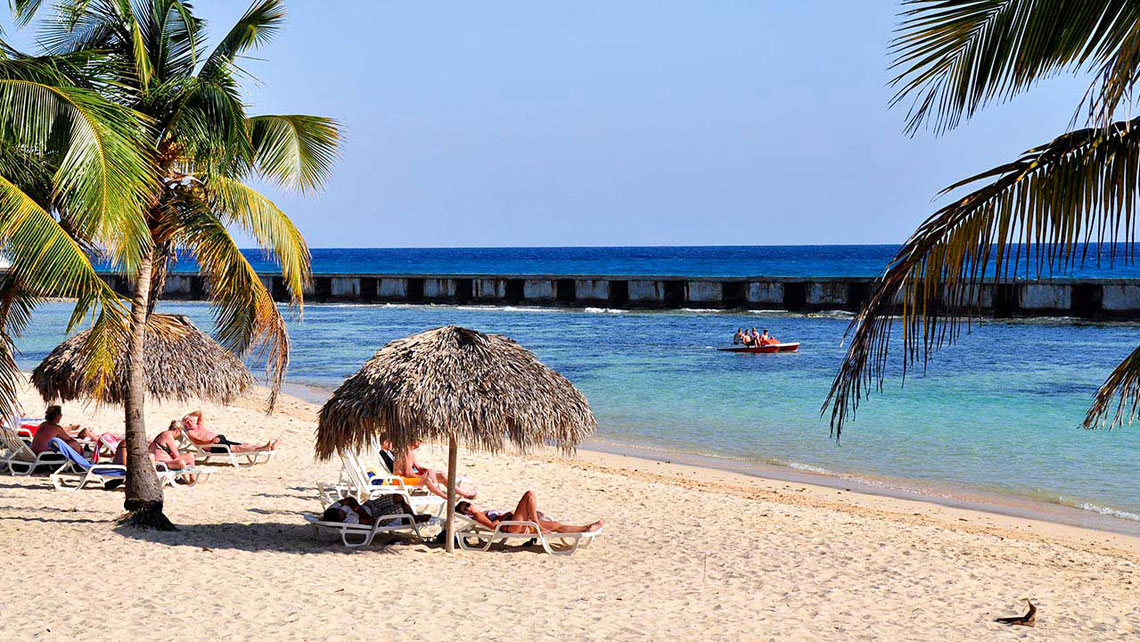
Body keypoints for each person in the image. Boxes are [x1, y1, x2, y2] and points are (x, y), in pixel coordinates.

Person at [456, 491, 604, 535]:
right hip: (511, 527)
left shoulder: (482, 512)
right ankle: (536, 523)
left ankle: (586, 528)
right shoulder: (477, 515)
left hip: (515, 524)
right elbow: (492, 526)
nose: (468, 508)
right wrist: (505, 516)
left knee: (556, 525)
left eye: (467, 505)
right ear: (467, 514)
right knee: (529, 495)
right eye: (465, 509)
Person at [392, 440, 476, 500]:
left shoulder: (411, 452)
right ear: (415, 441)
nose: (421, 443)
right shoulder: (406, 452)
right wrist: (424, 477)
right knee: (427, 480)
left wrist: (427, 470)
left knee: (441, 475)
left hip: (407, 477)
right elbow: (408, 473)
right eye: (420, 441)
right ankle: (447, 498)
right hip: (400, 479)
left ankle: (464, 494)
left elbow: (418, 467)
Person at [181, 410, 277, 454]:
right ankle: (262, 449)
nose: (189, 421)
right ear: (186, 426)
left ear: (194, 419)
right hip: (213, 446)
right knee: (238, 448)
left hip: (219, 440)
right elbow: (198, 442)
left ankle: (266, 447)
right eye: (186, 422)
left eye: (190, 419)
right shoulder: (190, 432)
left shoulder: (200, 425)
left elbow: (200, 413)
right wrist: (211, 442)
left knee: (243, 444)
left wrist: (187, 415)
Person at [320, 495, 430, 526]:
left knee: (398, 497)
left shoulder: (333, 508)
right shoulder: (348, 521)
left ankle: (411, 519)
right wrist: (357, 509)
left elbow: (350, 499)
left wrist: (358, 510)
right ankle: (413, 519)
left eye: (341, 512)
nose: (343, 514)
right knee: (403, 507)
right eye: (342, 516)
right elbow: (368, 520)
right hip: (377, 518)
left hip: (370, 505)